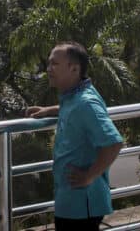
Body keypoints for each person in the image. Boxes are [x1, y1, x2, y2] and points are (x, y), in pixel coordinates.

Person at [26, 42, 123, 231]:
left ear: (74, 69)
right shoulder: (74, 98)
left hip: (82, 203)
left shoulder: (85, 104)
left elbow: (114, 143)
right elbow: (71, 109)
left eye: (55, 64)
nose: (49, 69)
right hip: (72, 201)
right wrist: (49, 110)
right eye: (48, 64)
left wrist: (89, 176)